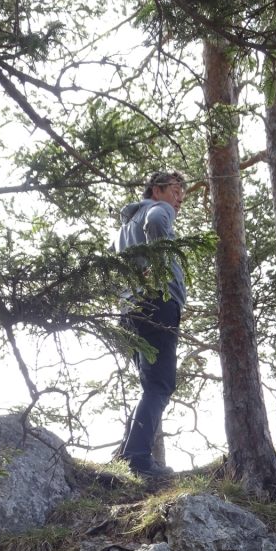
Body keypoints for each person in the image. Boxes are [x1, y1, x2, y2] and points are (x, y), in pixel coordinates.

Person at [115, 169, 187, 478]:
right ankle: (137, 459)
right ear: (156, 191)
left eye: (181, 195)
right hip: (157, 302)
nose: (178, 199)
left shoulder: (124, 228)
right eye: (175, 191)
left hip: (130, 309)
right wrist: (160, 269)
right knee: (160, 385)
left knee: (150, 386)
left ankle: (132, 454)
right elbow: (158, 223)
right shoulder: (159, 211)